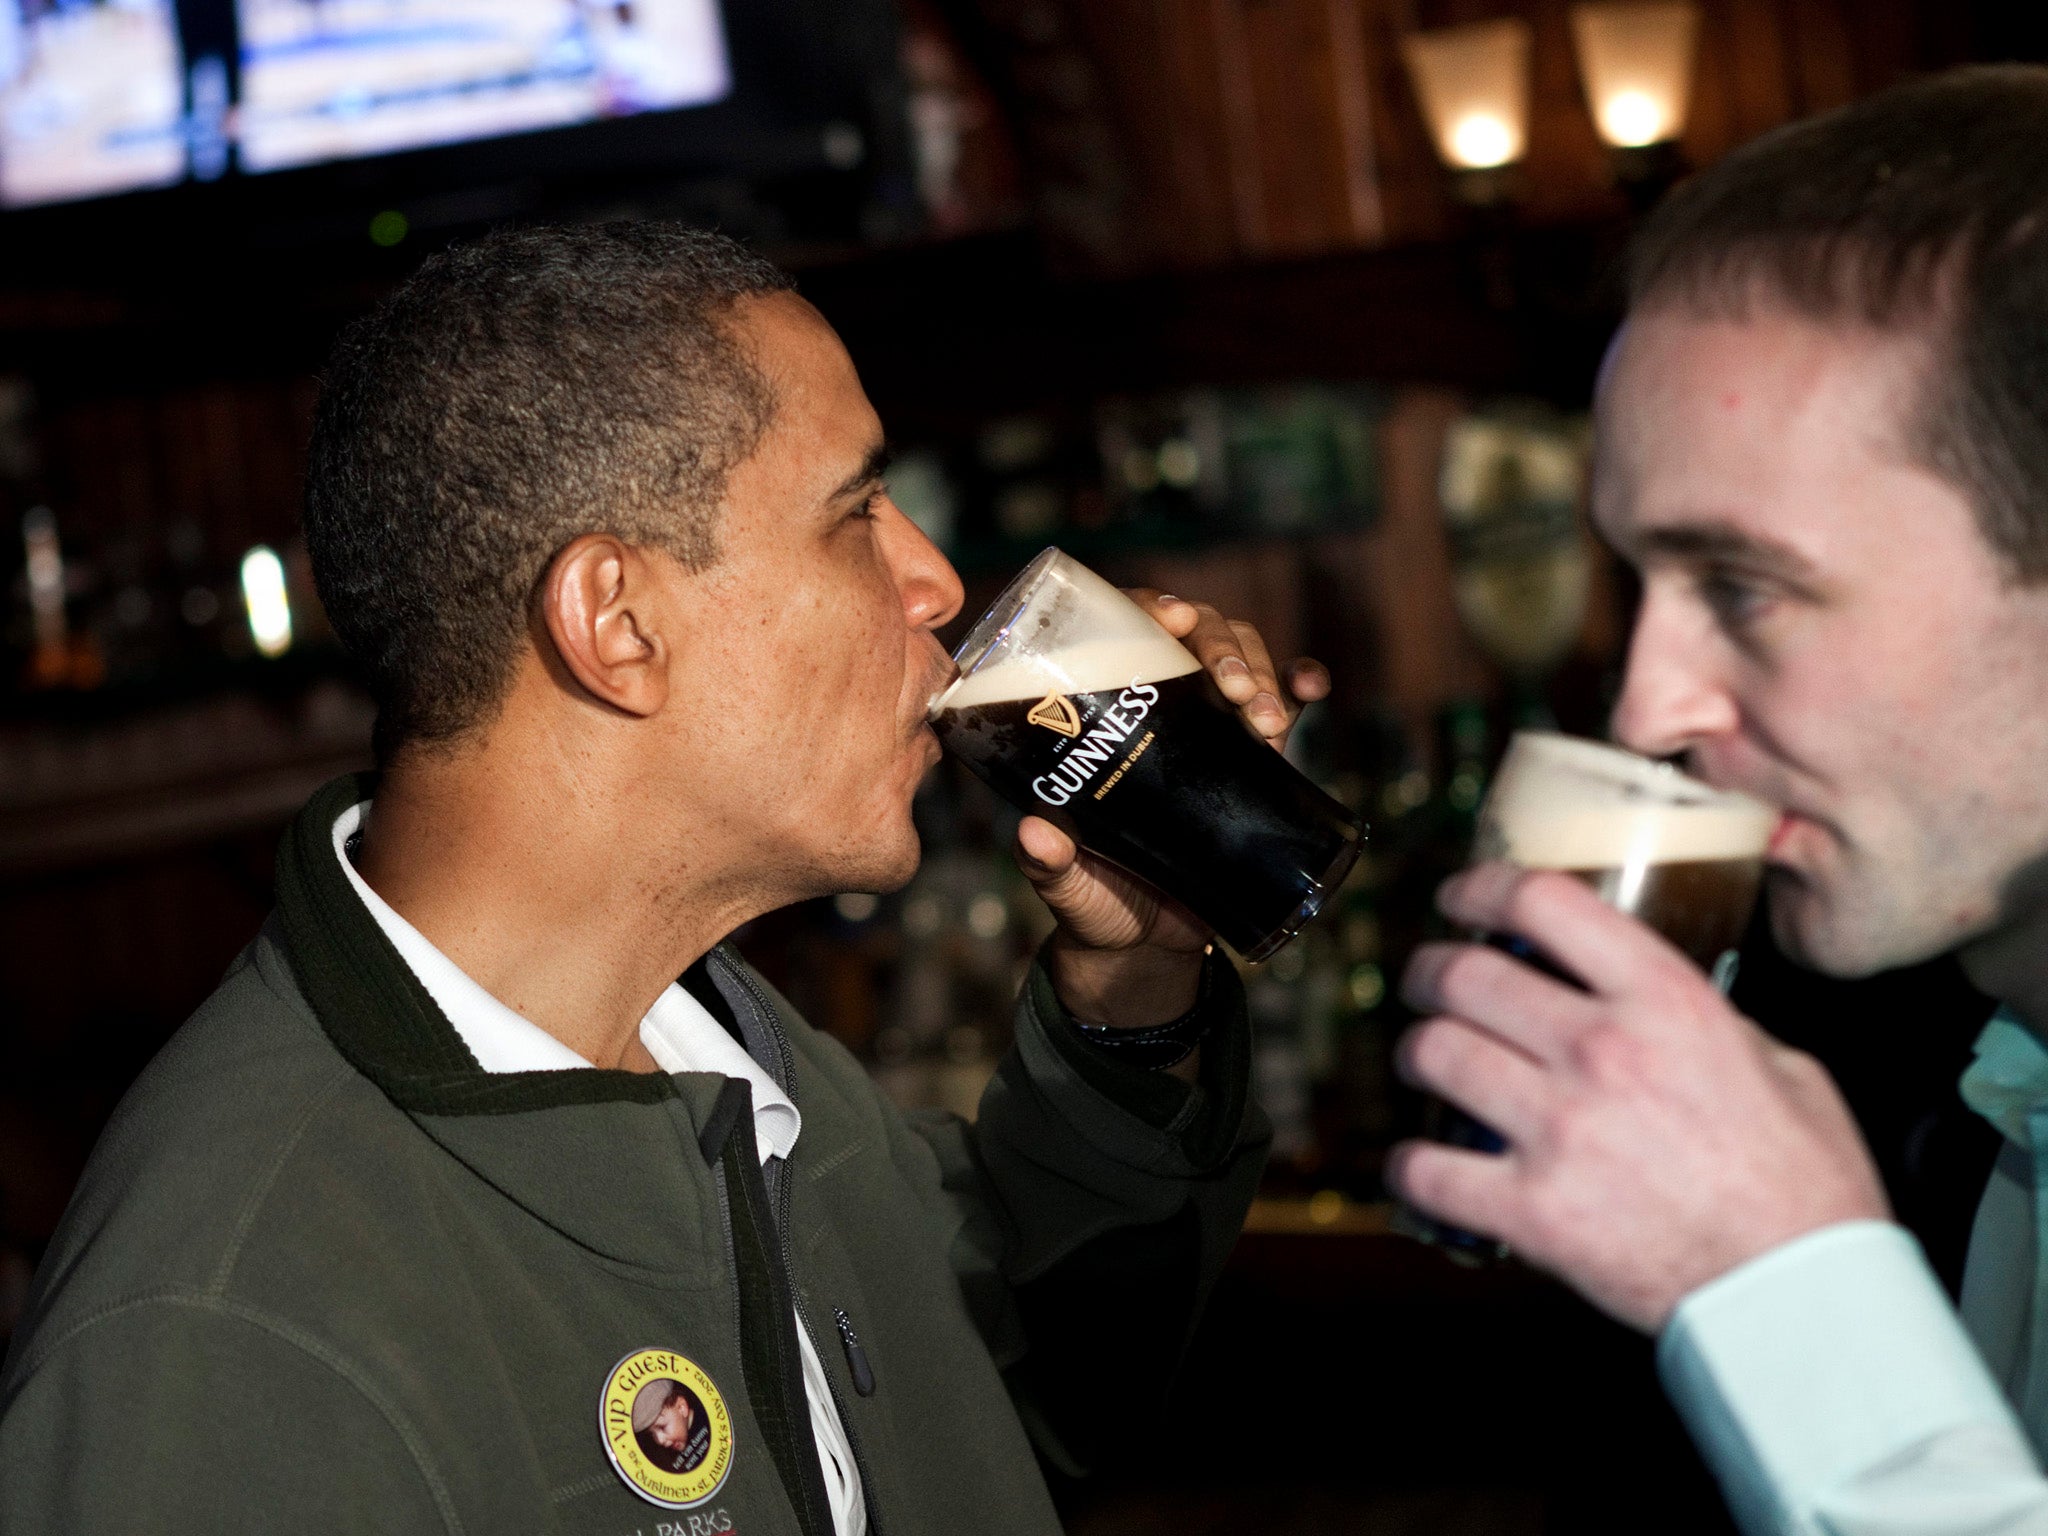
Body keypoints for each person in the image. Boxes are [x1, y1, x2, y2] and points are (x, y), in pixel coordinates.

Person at [0, 223, 1324, 1533]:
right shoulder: (220, 1351)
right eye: (856, 512)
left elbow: (1026, 1384)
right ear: (616, 625)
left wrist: (1134, 972)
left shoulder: (722, 1045)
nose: (931, 583)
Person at [1389, 64, 2048, 1534]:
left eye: (1744, 586)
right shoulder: (2008, 1089)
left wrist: (1782, 1286)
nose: (1644, 709)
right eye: (1642, 581)